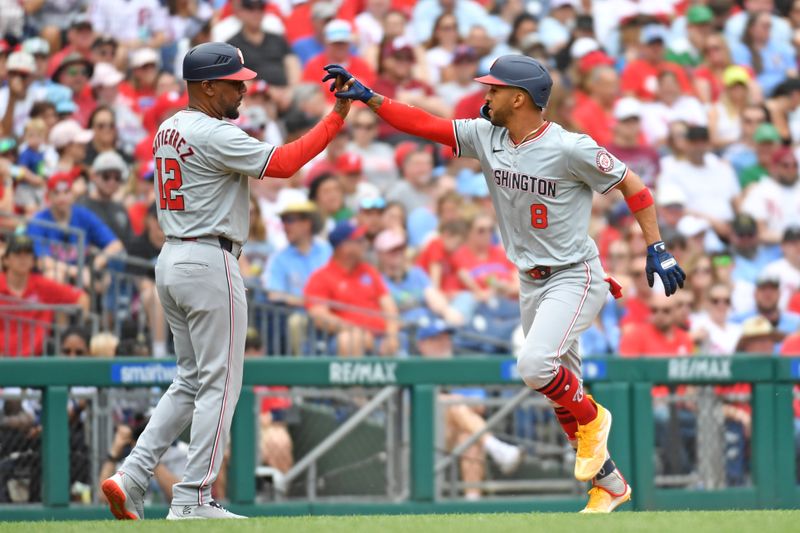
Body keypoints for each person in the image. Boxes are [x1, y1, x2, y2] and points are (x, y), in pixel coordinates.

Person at [322, 54, 686, 513]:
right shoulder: (486, 135)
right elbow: (425, 125)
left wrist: (657, 246)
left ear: (518, 98)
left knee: (535, 367)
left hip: (574, 273)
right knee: (558, 388)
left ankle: (597, 420)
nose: (485, 95)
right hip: (530, 280)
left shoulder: (570, 147)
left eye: (493, 89)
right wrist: (371, 98)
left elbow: (633, 184)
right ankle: (609, 484)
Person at [101, 42, 354, 521]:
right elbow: (284, 163)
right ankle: (194, 496)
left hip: (173, 258)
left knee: (190, 379)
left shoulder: (168, 127)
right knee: (220, 382)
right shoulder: (212, 133)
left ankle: (132, 474)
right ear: (205, 85)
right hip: (209, 259)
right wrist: (337, 114)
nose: (244, 87)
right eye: (234, 82)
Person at [304, 220, 400, 357]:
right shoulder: (321, 277)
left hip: (382, 338)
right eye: (359, 240)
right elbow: (320, 317)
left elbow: (390, 307)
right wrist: (357, 332)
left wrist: (392, 336)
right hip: (345, 338)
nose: (365, 244)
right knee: (348, 340)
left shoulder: (369, 271)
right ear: (343, 246)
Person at [0, 234, 90, 357]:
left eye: (27, 255)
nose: (23, 259)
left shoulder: (43, 285)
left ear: (33, 261)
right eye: (17, 254)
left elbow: (81, 297)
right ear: (6, 260)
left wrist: (75, 332)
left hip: (37, 358)